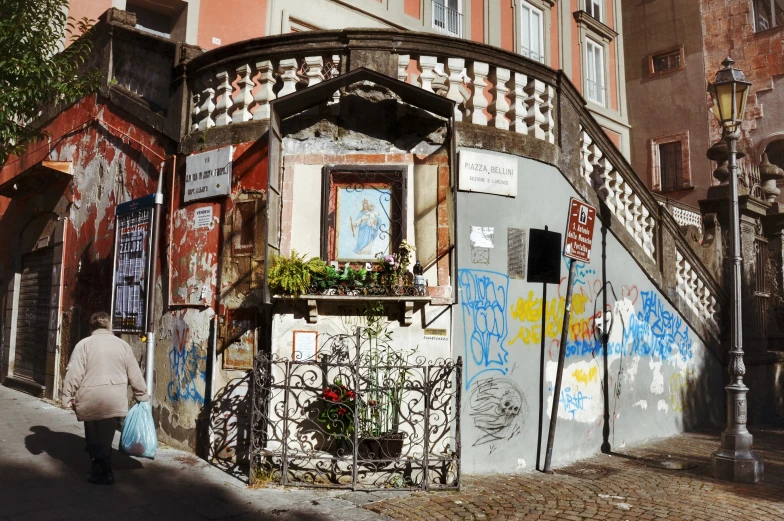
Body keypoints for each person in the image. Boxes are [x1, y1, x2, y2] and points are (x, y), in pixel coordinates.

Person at [61, 311, 149, 485]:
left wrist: (67, 396)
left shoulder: (84, 345)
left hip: (91, 399)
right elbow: (135, 373)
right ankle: (101, 470)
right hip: (114, 400)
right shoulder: (123, 345)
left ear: (91, 326)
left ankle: (104, 472)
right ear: (109, 326)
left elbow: (74, 374)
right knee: (106, 437)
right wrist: (142, 395)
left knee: (93, 437)